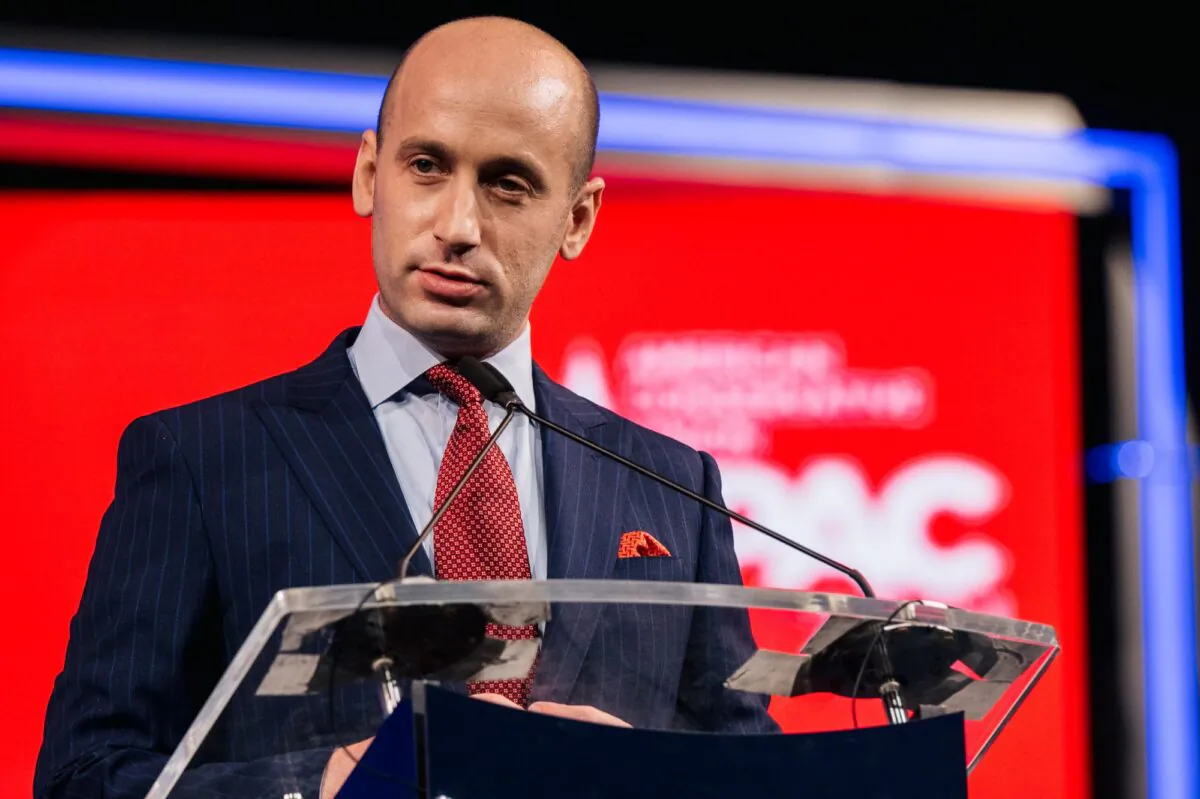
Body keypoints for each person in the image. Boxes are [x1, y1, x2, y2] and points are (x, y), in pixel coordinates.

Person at [34, 16, 775, 799]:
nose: (457, 226)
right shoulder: (201, 460)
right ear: (367, 174)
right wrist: (314, 787)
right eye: (426, 165)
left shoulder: (672, 486)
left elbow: (753, 775)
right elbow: (83, 776)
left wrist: (653, 779)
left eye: (508, 183)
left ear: (577, 219)